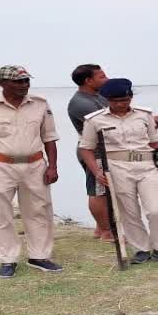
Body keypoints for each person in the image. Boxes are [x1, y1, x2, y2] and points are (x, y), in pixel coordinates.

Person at [0, 66, 62, 278]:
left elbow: (49, 137)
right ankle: (8, 259)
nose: (24, 86)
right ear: (2, 83)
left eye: (26, 81)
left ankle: (39, 256)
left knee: (40, 211)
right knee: (2, 213)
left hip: (35, 165)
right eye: (18, 82)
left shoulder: (40, 104)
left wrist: (53, 166)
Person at [79, 78, 158, 266]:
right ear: (107, 99)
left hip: (147, 166)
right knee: (129, 211)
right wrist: (96, 172)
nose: (119, 104)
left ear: (130, 97)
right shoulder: (95, 120)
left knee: (155, 210)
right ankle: (141, 249)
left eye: (124, 100)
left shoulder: (144, 115)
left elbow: (155, 144)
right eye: (115, 101)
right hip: (117, 167)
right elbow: (86, 148)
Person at [66, 64, 112, 241]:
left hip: (105, 150)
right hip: (94, 151)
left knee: (106, 191)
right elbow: (107, 122)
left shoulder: (98, 96)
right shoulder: (81, 103)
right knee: (98, 191)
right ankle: (106, 231)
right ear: (88, 80)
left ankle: (100, 229)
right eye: (102, 76)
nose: (106, 79)